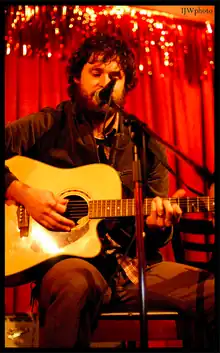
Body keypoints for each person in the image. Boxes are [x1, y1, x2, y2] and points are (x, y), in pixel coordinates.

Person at [5, 33, 215, 350]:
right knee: (74, 284)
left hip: (134, 268)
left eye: (115, 77)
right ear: (77, 77)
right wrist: (22, 193)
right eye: (96, 72)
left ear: (125, 86)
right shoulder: (48, 124)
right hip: (69, 266)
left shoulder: (147, 145)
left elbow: (157, 237)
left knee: (211, 293)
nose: (105, 83)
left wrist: (160, 225)